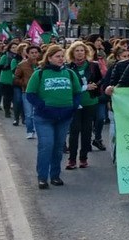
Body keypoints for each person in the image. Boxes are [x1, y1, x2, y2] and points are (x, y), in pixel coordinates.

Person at [25, 44, 80, 189]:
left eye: (62, 56)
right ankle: (42, 177)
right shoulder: (40, 73)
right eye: (57, 56)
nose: (61, 59)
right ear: (49, 58)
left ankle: (55, 175)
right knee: (46, 146)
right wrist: (43, 106)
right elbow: (30, 94)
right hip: (44, 117)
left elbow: (78, 93)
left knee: (58, 147)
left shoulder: (70, 73)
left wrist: (72, 107)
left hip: (64, 116)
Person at [65, 42, 102, 170]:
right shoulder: (68, 68)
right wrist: (85, 87)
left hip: (90, 102)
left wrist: (95, 86)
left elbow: (100, 80)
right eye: (77, 50)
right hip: (75, 103)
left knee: (87, 131)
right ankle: (71, 159)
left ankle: (83, 158)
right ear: (72, 53)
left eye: (82, 50)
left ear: (86, 52)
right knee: (74, 131)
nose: (80, 53)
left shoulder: (93, 66)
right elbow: (68, 86)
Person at [13, 44, 41, 134]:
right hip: (27, 92)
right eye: (32, 53)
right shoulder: (22, 65)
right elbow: (16, 79)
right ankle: (29, 130)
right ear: (27, 54)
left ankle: (38, 130)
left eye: (36, 52)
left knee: (38, 113)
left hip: (40, 93)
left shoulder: (42, 65)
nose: (34, 54)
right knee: (28, 114)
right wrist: (25, 83)